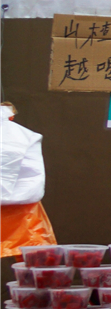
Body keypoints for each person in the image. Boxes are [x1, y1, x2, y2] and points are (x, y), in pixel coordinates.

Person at [1, 103, 56, 258]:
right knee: (32, 258)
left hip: (22, 209)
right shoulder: (23, 135)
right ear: (10, 116)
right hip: (23, 210)